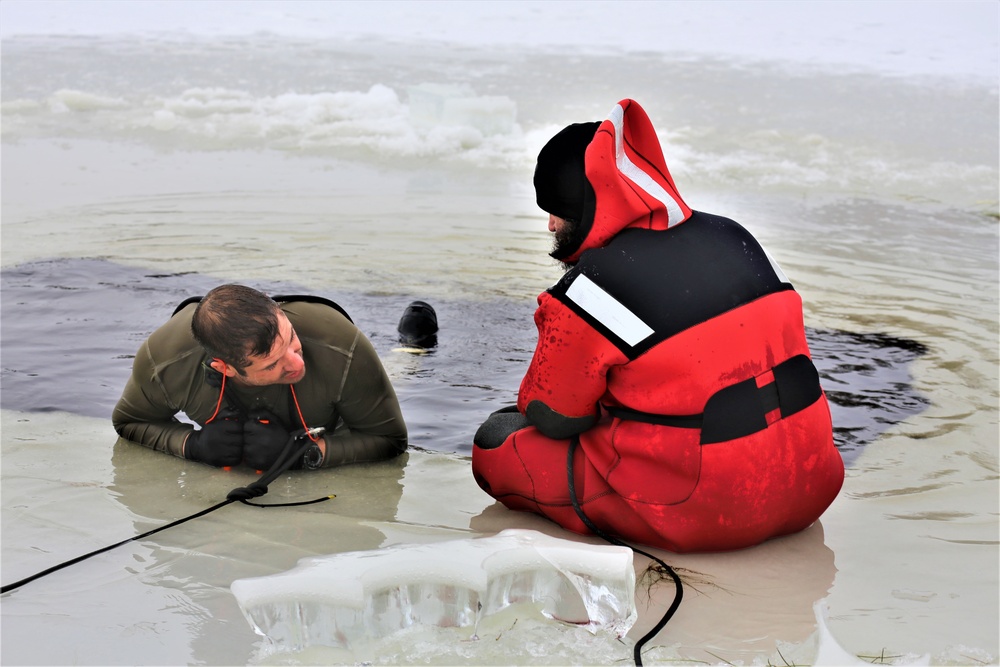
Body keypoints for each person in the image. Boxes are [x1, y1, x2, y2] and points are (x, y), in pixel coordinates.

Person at [471, 99, 844, 553]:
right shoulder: (735, 234)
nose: (549, 225)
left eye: (556, 210)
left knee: (496, 440)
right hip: (814, 484)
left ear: (590, 205)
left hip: (699, 510)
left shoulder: (590, 288)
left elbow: (552, 416)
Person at [113, 284, 409, 471]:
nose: (296, 363)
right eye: (271, 365)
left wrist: (304, 454)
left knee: (404, 368)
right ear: (224, 368)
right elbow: (129, 421)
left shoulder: (340, 345)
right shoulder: (165, 360)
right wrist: (192, 445)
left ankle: (413, 345)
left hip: (347, 375)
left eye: (291, 340)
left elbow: (389, 438)